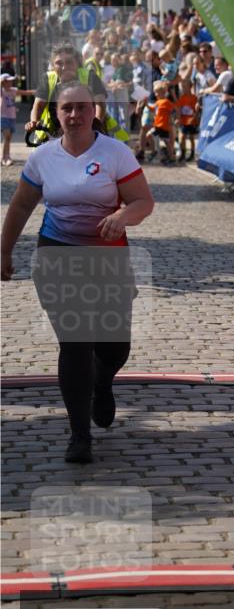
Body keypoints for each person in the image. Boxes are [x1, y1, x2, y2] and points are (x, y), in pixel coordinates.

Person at [1, 81, 154, 463]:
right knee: (75, 342)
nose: (74, 115)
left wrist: (122, 216)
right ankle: (79, 435)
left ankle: (102, 381)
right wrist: (4, 251)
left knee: (114, 347)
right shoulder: (43, 157)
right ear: (56, 114)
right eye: (66, 109)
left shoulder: (115, 153)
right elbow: (20, 207)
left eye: (81, 107)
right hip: (57, 256)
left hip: (108, 260)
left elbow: (143, 201)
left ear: (93, 111)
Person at [1, 72, 18, 166]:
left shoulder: (13, 90)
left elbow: (26, 92)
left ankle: (7, 156)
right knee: (6, 137)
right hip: (3, 117)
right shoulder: (1, 91)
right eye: (8, 81)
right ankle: (4, 158)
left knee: (8, 139)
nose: (11, 82)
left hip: (12, 117)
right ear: (3, 82)